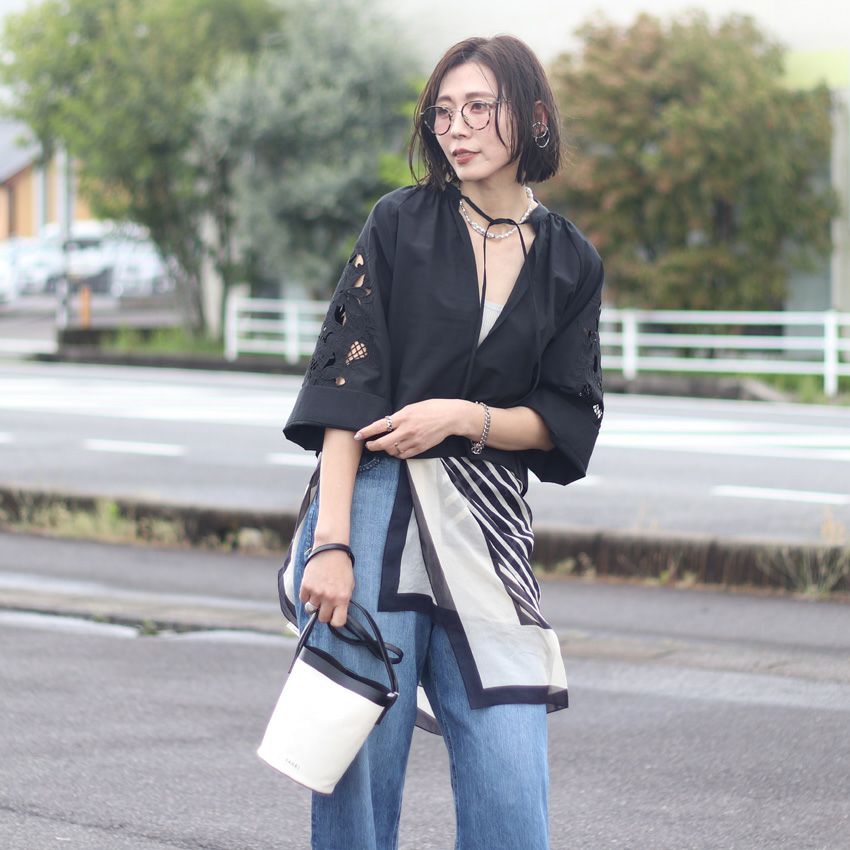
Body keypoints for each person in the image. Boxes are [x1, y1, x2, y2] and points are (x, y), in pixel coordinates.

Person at [277, 34, 604, 850]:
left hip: (487, 525)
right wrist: (332, 544)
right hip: (377, 512)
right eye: (444, 113)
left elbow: (568, 416)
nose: (457, 128)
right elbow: (345, 387)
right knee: (358, 767)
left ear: (532, 118)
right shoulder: (399, 223)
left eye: (479, 108)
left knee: (512, 783)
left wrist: (463, 416)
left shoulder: (571, 260)